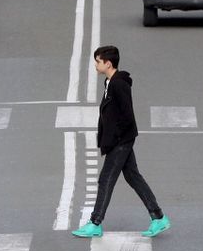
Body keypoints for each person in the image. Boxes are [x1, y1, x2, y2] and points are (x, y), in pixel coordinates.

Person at [72, 45, 170, 240]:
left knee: (106, 179)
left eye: (98, 61)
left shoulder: (118, 84)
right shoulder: (110, 82)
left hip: (120, 141)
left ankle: (95, 223)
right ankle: (159, 218)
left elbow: (127, 115)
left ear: (108, 63)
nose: (95, 65)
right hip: (119, 140)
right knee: (133, 177)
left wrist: (117, 139)